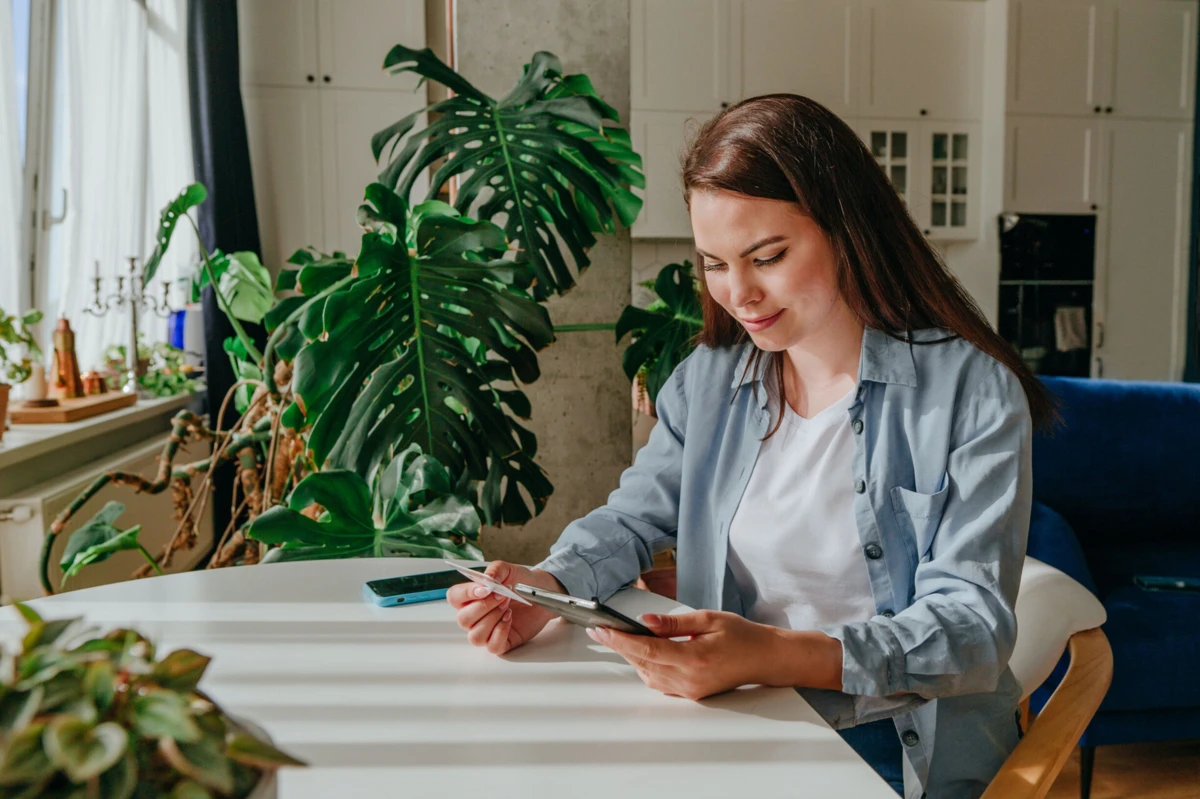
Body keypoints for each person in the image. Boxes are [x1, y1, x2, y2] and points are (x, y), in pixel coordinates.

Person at [448, 94, 1057, 799]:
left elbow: (971, 627)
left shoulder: (971, 392)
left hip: (897, 750)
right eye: (714, 263)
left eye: (767, 257)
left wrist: (774, 655)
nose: (739, 294)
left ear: (847, 229)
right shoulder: (709, 381)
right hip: (733, 726)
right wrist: (547, 589)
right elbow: (634, 518)